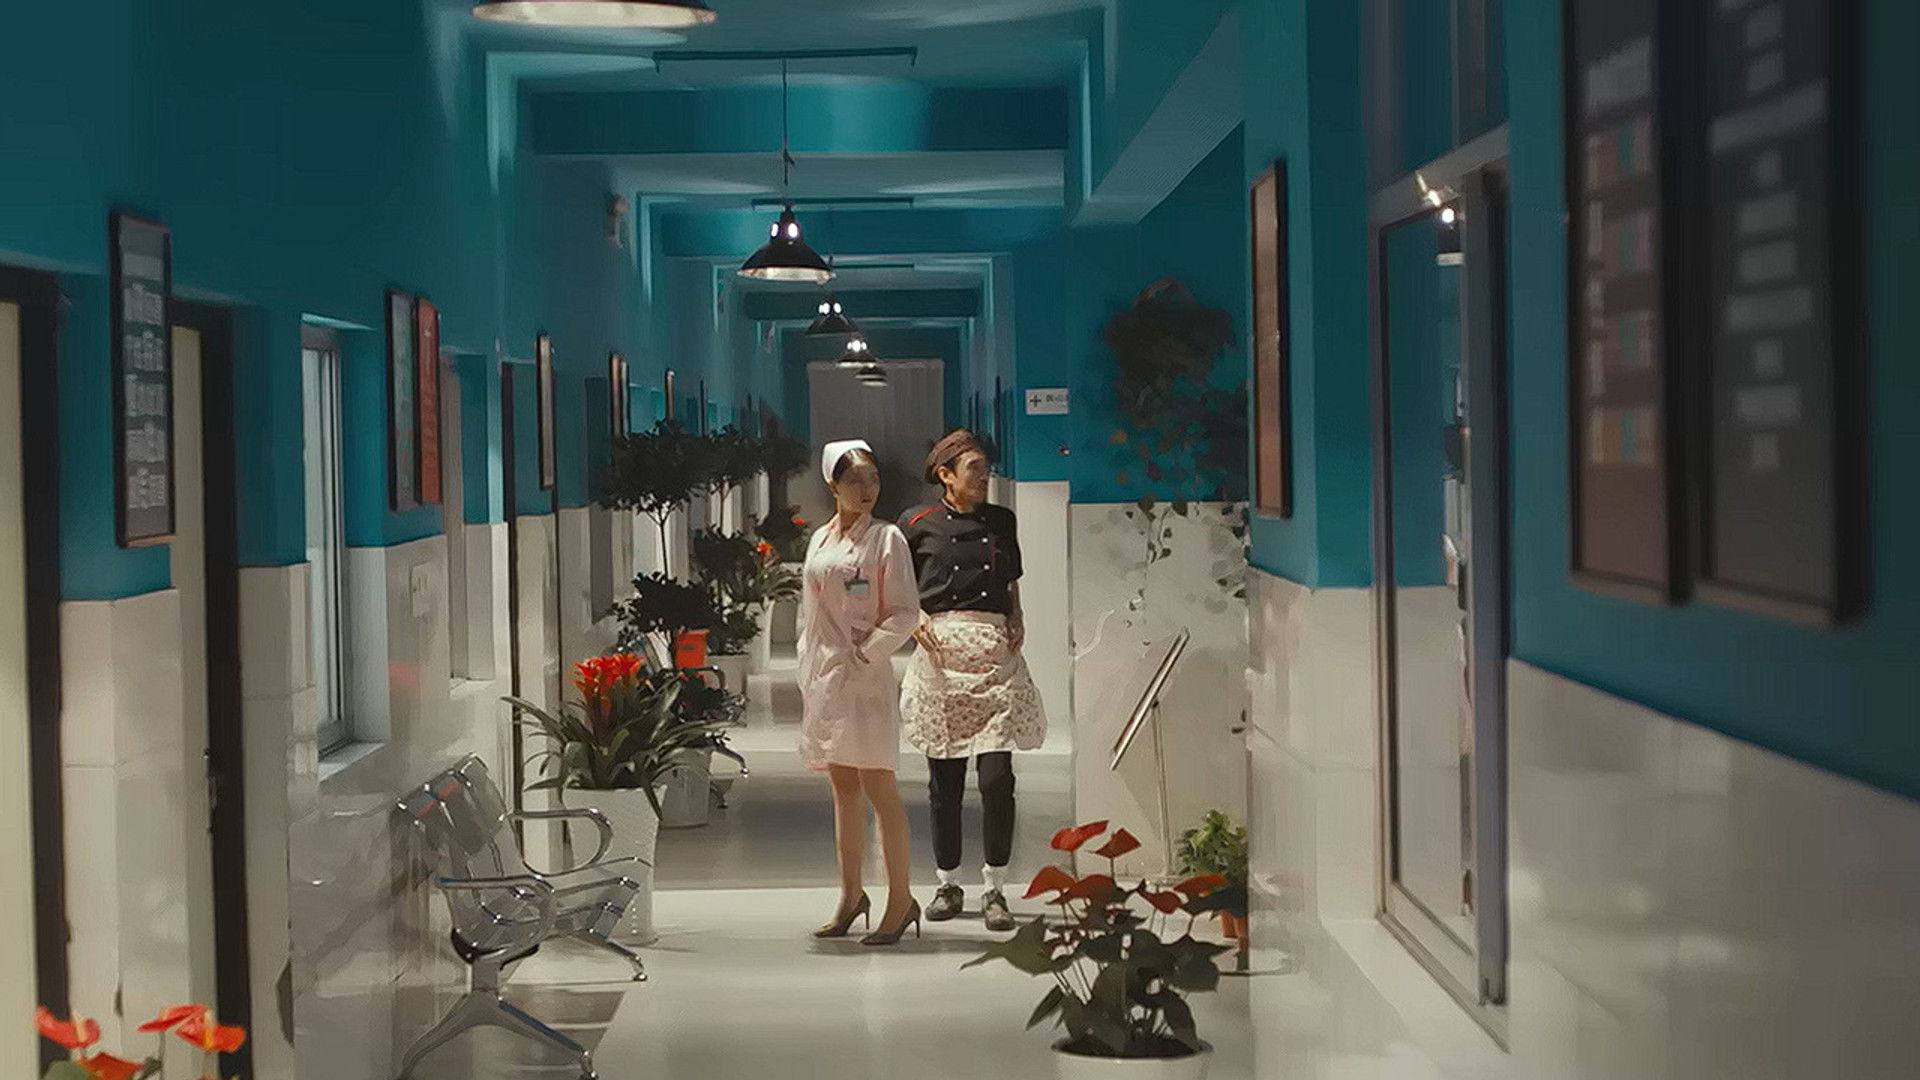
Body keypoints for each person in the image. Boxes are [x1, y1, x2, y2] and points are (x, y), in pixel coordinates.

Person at [898, 429, 1047, 933]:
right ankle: (947, 883)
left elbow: (1010, 581)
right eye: (975, 468)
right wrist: (914, 618)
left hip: (994, 655)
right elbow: (899, 587)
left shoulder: (1002, 521)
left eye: (986, 468)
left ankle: (996, 887)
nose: (985, 477)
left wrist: (1017, 615)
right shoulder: (915, 524)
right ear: (946, 475)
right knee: (945, 782)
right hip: (942, 659)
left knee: (998, 780)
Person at [797, 439, 924, 945]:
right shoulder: (820, 539)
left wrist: (868, 653)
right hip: (826, 677)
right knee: (843, 789)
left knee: (880, 788)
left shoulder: (886, 539)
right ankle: (851, 896)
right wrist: (810, 667)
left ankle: (901, 900)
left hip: (865, 678)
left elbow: (906, 612)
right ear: (833, 486)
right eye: (855, 480)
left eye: (873, 478)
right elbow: (812, 612)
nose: (867, 489)